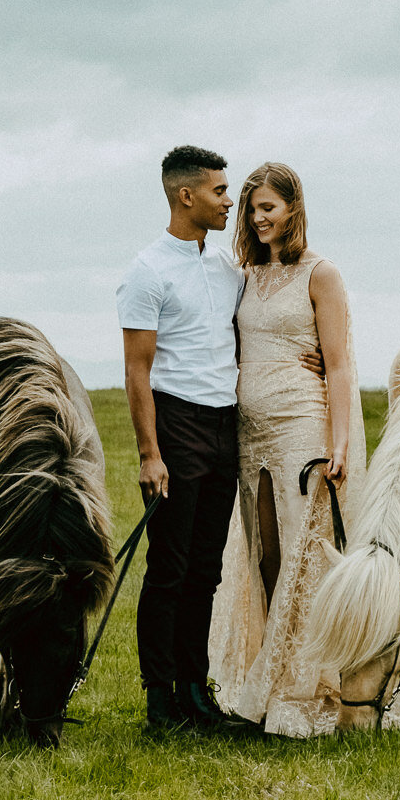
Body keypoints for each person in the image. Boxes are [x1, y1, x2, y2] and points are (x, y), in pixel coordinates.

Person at [207, 162, 400, 736]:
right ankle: (273, 675)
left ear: (293, 209)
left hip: (304, 427)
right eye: (252, 210)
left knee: (310, 557)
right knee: (267, 555)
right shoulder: (245, 277)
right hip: (250, 434)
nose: (258, 219)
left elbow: (340, 364)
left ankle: (318, 681)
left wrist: (342, 443)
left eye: (268, 208)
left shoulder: (320, 274)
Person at [117, 145, 252, 733]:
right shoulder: (146, 272)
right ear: (186, 195)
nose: (230, 201)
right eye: (221, 191)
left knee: (207, 570)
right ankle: (159, 700)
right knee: (168, 568)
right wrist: (151, 453)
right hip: (176, 424)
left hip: (226, 427)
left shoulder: (226, 269)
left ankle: (197, 695)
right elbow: (137, 371)